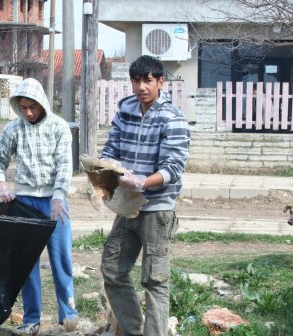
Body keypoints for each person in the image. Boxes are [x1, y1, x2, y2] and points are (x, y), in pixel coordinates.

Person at [99, 55, 190, 336]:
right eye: (136, 80)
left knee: (155, 281)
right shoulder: (125, 110)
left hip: (158, 209)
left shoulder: (172, 118)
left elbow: (174, 167)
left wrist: (142, 181)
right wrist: (104, 171)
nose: (141, 87)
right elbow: (111, 149)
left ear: (160, 82)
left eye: (147, 80)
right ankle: (134, 331)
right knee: (112, 269)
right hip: (127, 207)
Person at [0, 78, 79, 336]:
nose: (29, 112)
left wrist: (59, 196)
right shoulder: (14, 129)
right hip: (25, 202)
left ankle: (69, 315)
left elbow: (64, 164)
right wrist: (2, 185)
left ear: (42, 104)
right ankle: (31, 319)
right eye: (24, 107)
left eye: (33, 107)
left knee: (61, 258)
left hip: (55, 202)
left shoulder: (59, 127)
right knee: (27, 263)